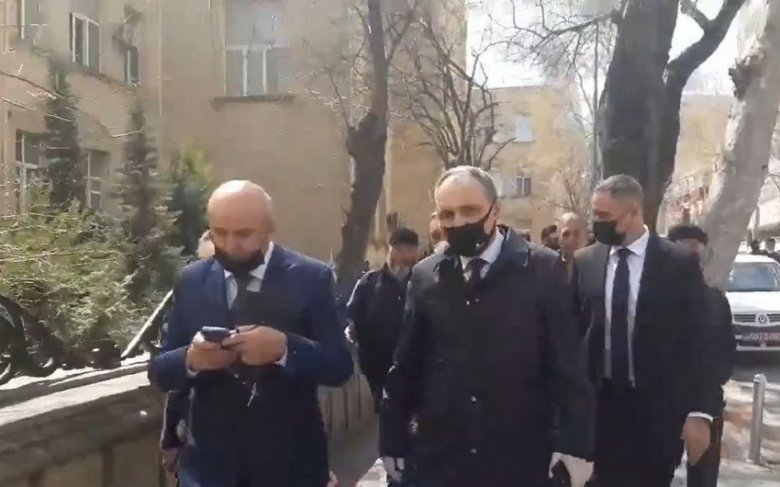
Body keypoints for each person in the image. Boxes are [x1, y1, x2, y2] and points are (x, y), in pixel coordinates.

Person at [381, 166, 594, 487]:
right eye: (448, 214)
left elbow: (569, 364)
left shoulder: (542, 269)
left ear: (495, 210)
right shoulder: (426, 275)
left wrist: (575, 444)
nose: (459, 223)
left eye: (470, 211)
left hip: (520, 456)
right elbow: (407, 363)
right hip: (443, 458)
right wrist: (392, 438)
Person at [148, 180, 353, 487]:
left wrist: (285, 348)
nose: (230, 245)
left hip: (290, 468)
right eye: (219, 233)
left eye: (243, 234)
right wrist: (191, 359)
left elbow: (340, 366)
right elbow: (160, 372)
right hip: (208, 472)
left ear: (269, 228)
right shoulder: (192, 280)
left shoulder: (311, 277)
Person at [571, 175, 721, 487]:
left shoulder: (678, 263)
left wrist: (700, 411)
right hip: (600, 408)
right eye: (595, 214)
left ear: (634, 212)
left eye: (604, 216)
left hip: (656, 413)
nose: (597, 223)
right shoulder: (586, 261)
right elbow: (573, 334)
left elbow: (701, 340)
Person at [348, 227, 420, 486]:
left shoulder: (424, 283)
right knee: (390, 434)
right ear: (390, 250)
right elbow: (351, 319)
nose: (404, 257)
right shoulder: (370, 283)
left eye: (410, 251)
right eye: (399, 250)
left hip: (417, 375)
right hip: (380, 375)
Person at [668, 224, 737, 487]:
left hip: (707, 405)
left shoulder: (715, 301)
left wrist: (703, 407)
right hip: (661, 406)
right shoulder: (651, 300)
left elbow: (725, 355)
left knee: (704, 478)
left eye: (696, 255)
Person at [559, 213, 587, 282]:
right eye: (566, 234)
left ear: (586, 236)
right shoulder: (550, 264)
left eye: (576, 233)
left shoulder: (598, 266)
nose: (571, 239)